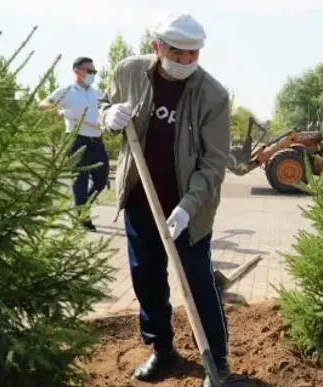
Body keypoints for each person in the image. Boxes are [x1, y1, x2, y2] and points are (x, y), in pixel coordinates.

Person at [97, 13, 243, 387]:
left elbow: (213, 164)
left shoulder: (213, 94)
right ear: (157, 48)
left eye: (193, 55)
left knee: (197, 281)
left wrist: (187, 207)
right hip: (140, 198)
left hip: (187, 210)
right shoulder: (129, 72)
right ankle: (162, 349)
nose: (185, 63)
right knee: (146, 278)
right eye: (177, 54)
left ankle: (218, 362)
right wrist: (107, 116)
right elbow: (104, 107)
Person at [38, 56, 106, 231]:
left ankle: (83, 208)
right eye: (89, 71)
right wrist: (61, 112)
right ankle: (82, 216)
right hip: (77, 139)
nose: (92, 74)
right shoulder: (66, 91)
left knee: (101, 179)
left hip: (96, 139)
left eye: (94, 72)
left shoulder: (97, 93)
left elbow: (107, 111)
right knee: (80, 180)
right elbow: (42, 105)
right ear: (77, 70)